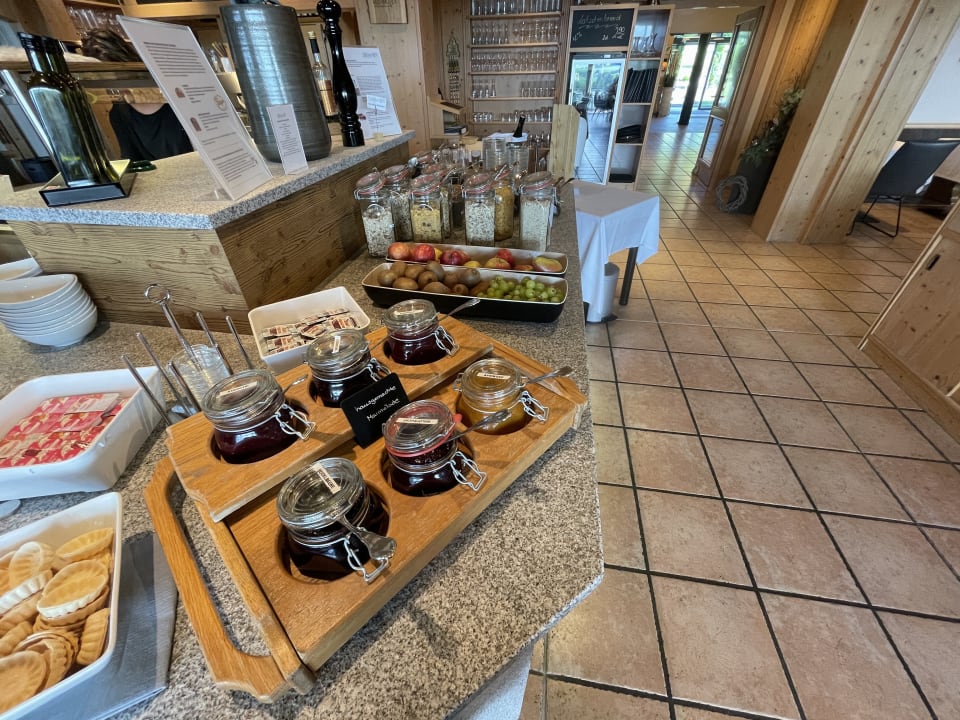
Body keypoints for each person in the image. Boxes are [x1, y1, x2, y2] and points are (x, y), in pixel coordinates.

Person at [81, 30, 193, 162]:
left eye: (118, 73)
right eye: (105, 78)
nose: (116, 82)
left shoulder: (174, 93)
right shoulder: (119, 113)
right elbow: (133, 160)